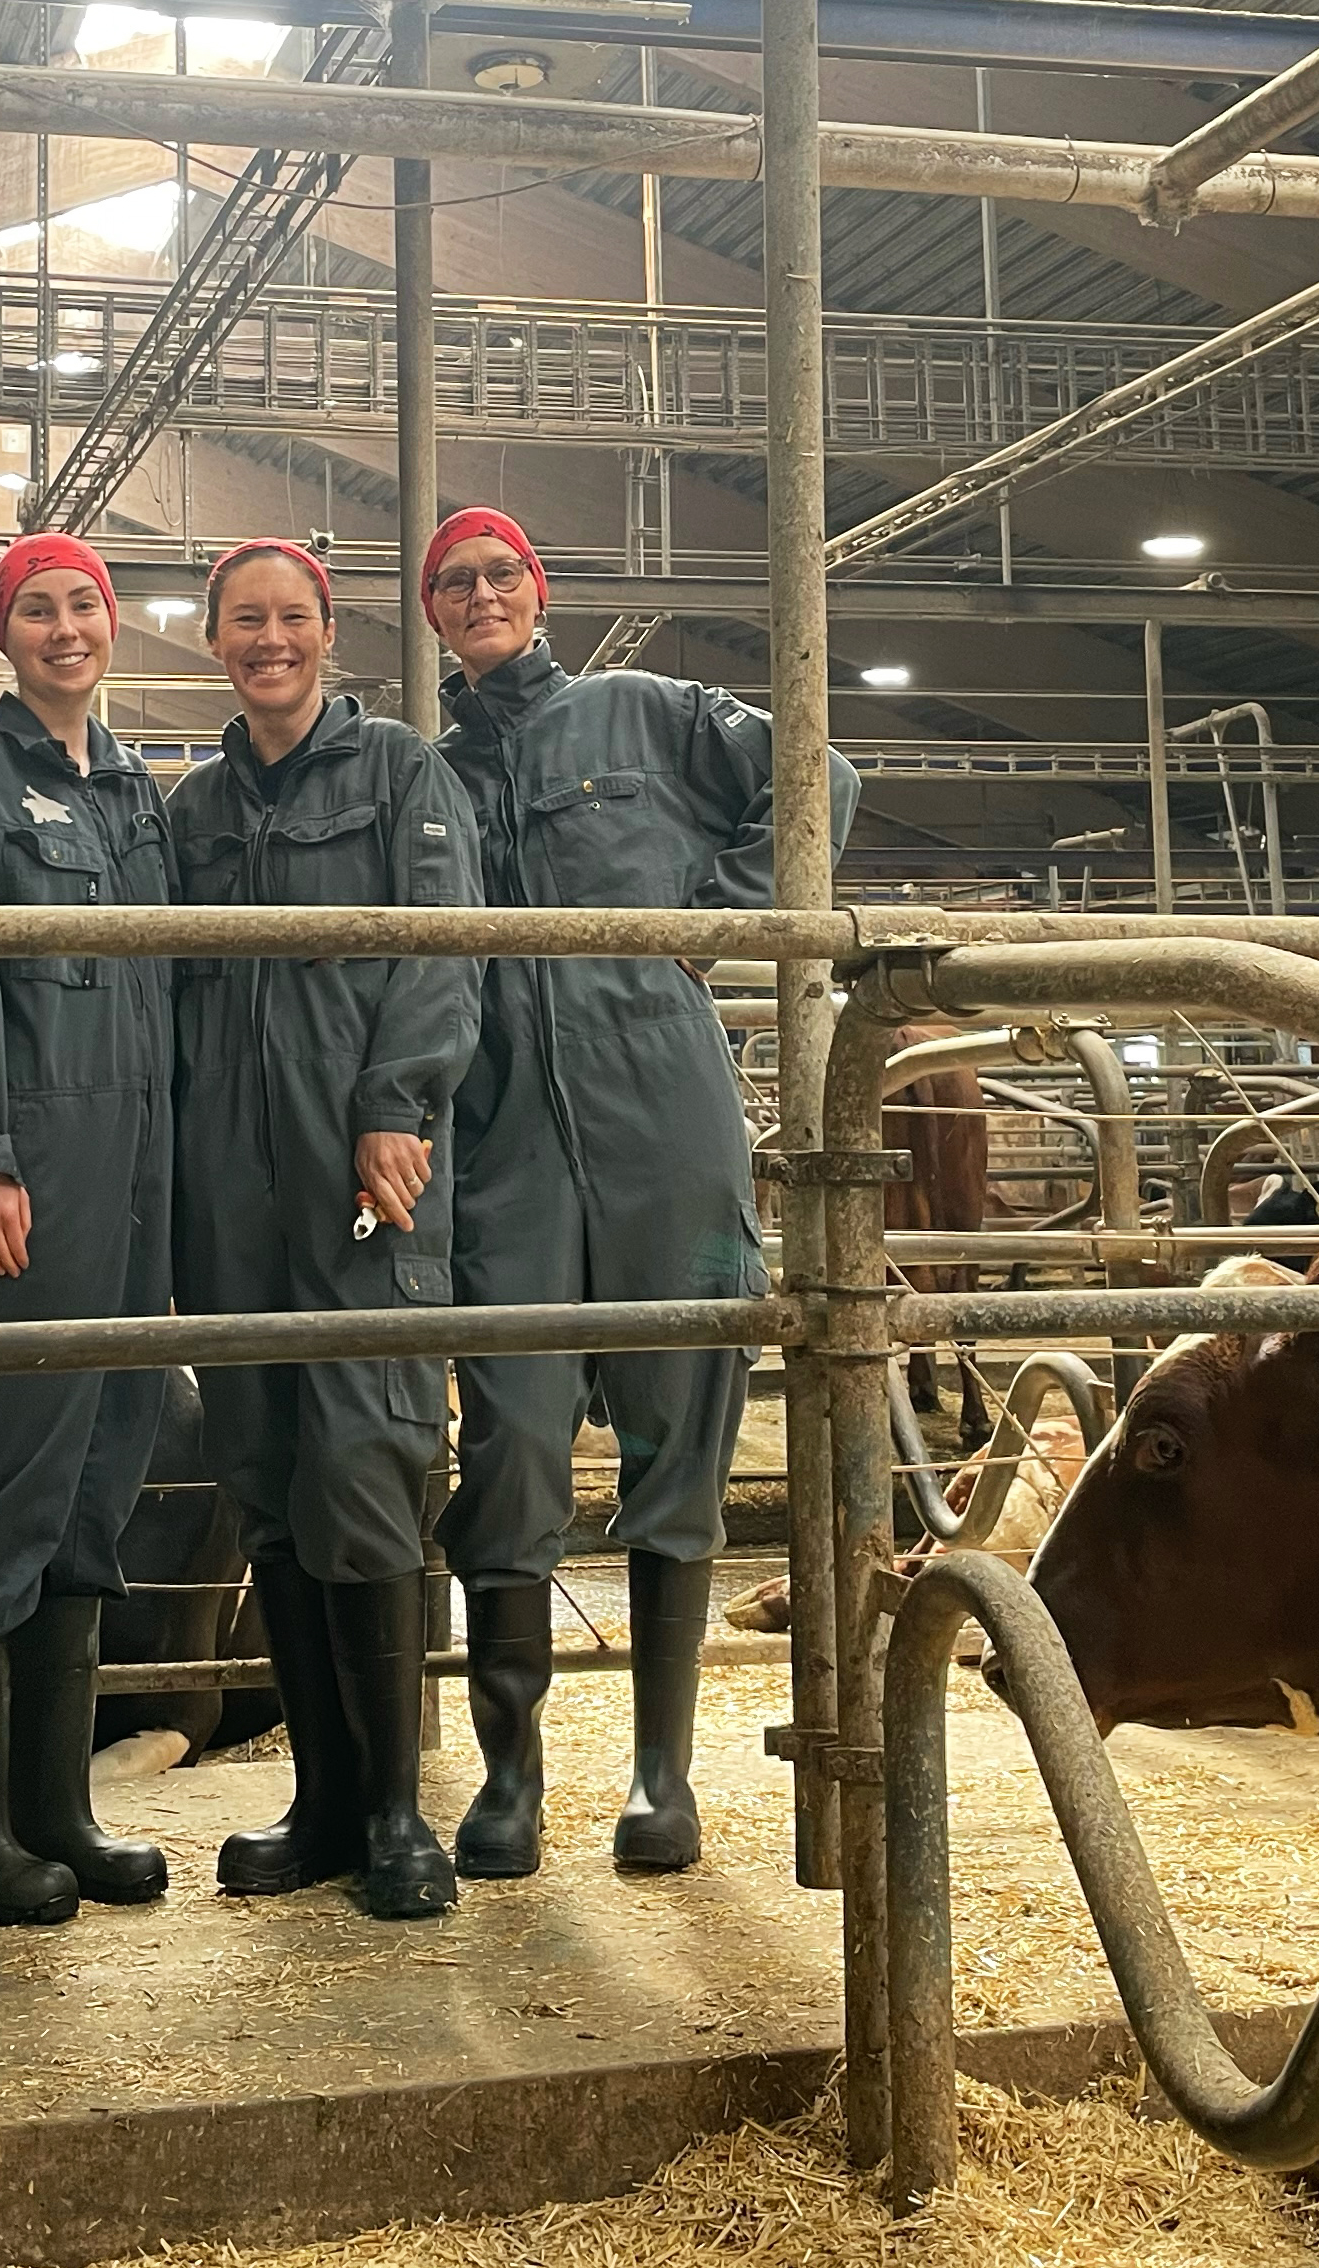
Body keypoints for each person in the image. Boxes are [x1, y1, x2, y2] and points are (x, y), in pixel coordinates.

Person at [417, 507, 860, 1879]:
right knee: (512, 1450)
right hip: (509, 1146)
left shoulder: (643, 711)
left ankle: (665, 1777)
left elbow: (821, 772)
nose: (482, 594)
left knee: (682, 1444)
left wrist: (718, 919)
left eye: (503, 573)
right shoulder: (430, 777)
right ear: (432, 612)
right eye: (455, 582)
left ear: (539, 592)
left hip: (663, 1112)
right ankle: (511, 1781)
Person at [164, 538, 481, 1924]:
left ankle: (400, 1810)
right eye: (246, 620)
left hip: (366, 1164)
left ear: (327, 632)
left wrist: (395, 1105)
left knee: (366, 1463)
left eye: (291, 618)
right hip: (231, 1175)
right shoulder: (194, 806)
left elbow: (439, 947)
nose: (269, 640)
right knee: (270, 1474)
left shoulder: (404, 772)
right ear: (214, 641)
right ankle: (322, 1799)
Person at [0, 532, 177, 1927]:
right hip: (36, 1172)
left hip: (138, 1181)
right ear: (6, 637)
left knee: (97, 1486)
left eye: (84, 606)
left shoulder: (137, 793)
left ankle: (59, 1809)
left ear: (111, 626)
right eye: (37, 610)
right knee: (6, 1478)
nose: (65, 628)